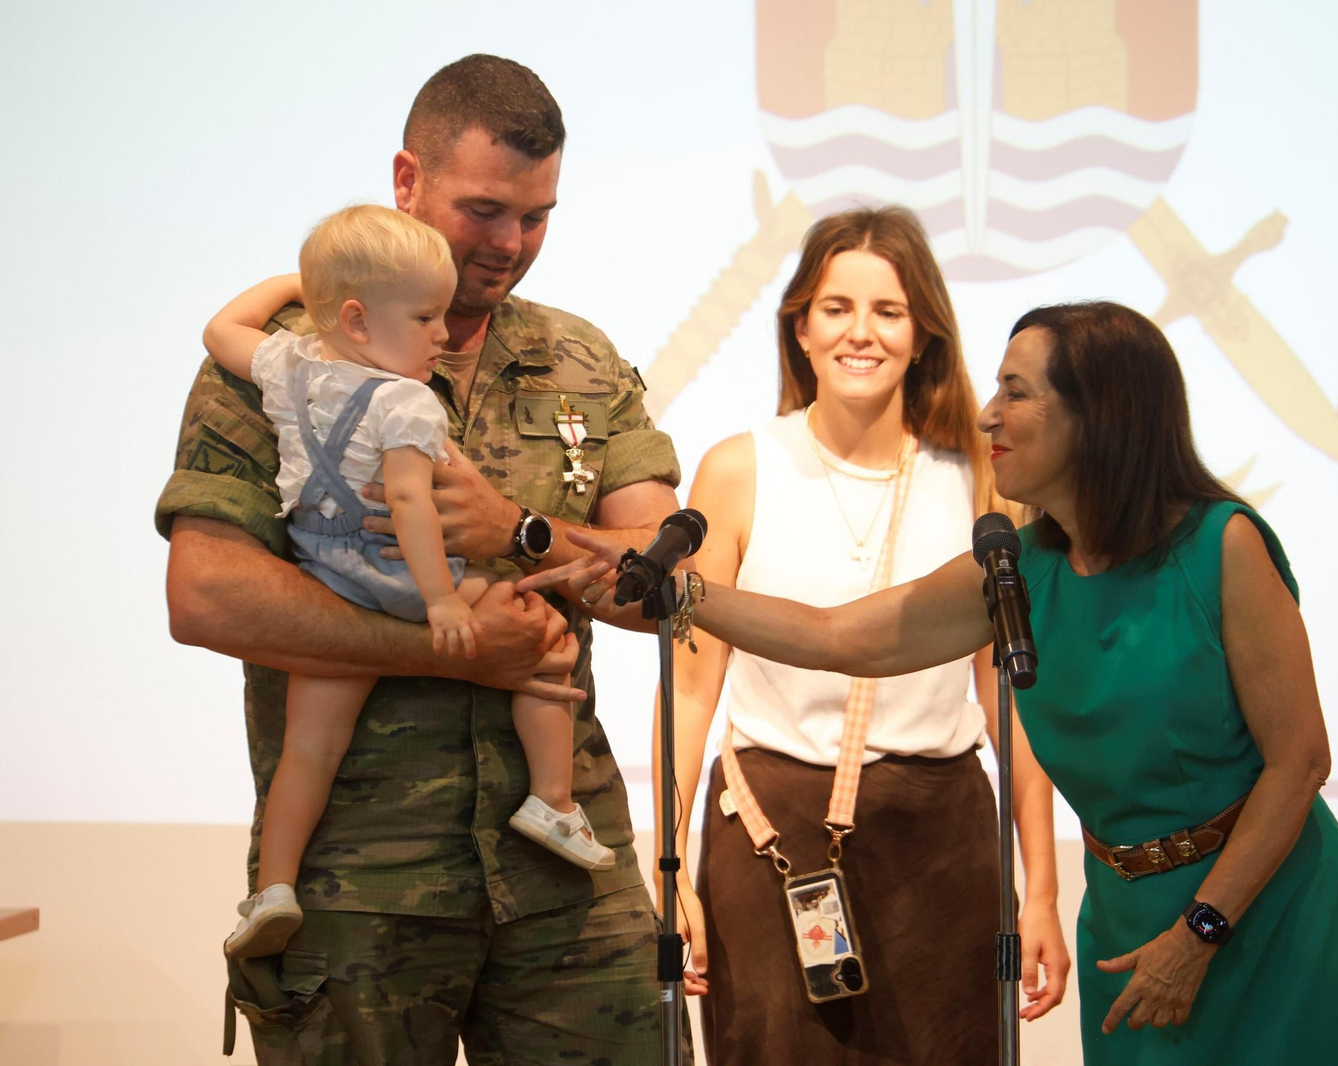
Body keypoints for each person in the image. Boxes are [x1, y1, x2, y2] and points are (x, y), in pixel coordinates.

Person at [555, 301, 1338, 1064]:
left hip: (1261, 913)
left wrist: (1201, 931)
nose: (987, 413)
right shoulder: (1019, 566)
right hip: (1127, 913)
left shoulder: (1222, 548)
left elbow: (1299, 763)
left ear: (1099, 417)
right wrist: (681, 589)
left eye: (1017, 391)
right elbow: (834, 635)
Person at [159, 55, 683, 1064]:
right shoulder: (291, 364)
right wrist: (455, 649)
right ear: (406, 179)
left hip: (568, 878)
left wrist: (518, 532)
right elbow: (206, 593)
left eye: (537, 216)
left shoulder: (581, 359)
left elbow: (664, 588)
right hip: (359, 881)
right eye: (485, 209)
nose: (511, 245)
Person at [648, 207, 1067, 1064]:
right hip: (769, 835)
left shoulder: (982, 480)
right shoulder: (739, 467)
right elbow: (691, 690)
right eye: (836, 308)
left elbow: (1014, 706)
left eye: (889, 311)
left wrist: (1044, 892)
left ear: (924, 335)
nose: (860, 333)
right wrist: (665, 874)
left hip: (940, 836)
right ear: (800, 325)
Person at [204, 206, 618, 959]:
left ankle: (273, 887)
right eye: (425, 316)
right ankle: (554, 801)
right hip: (395, 578)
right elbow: (410, 504)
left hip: (327, 582)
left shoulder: (291, 364)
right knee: (539, 637)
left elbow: (223, 329)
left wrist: (303, 286)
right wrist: (439, 601)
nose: (439, 333)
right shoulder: (407, 401)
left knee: (308, 747)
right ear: (359, 320)